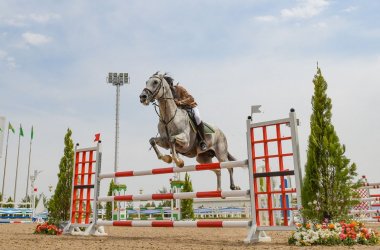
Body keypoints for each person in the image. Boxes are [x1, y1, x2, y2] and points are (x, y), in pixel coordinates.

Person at [167, 80, 207, 151]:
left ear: (171, 84)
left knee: (197, 118)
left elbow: (191, 98)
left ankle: (203, 141)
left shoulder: (180, 88)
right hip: (181, 111)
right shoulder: (168, 94)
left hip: (191, 106)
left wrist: (180, 102)